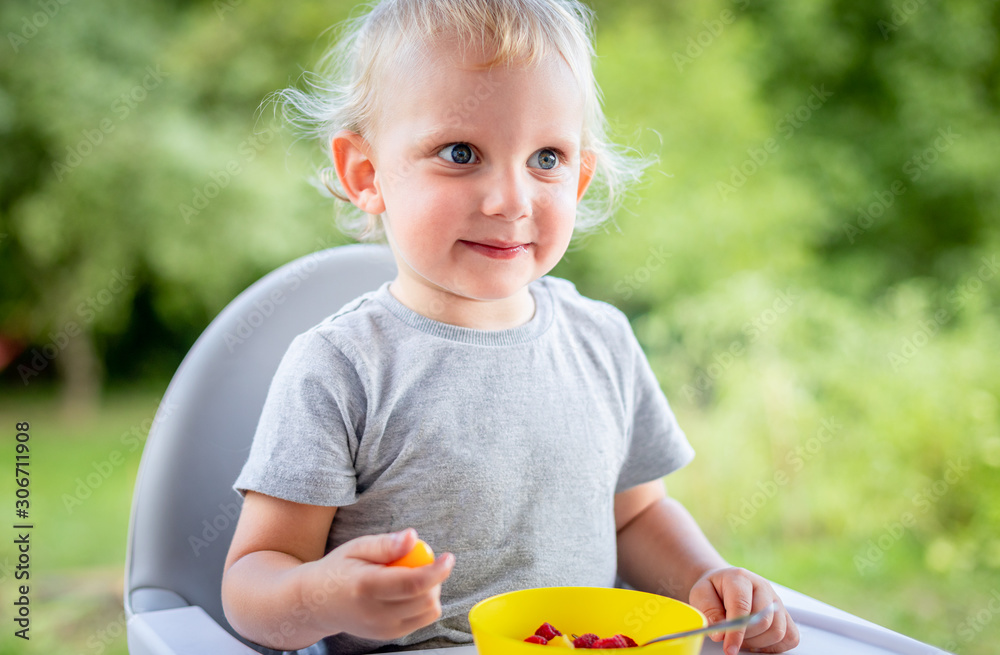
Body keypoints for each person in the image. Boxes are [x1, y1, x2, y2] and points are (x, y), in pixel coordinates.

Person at [222, 1, 800, 654]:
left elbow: (636, 514)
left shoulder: (601, 340)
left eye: (546, 158)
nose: (511, 199)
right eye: (461, 152)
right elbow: (252, 582)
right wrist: (325, 594)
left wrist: (706, 577)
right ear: (367, 173)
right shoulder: (340, 366)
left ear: (580, 176)